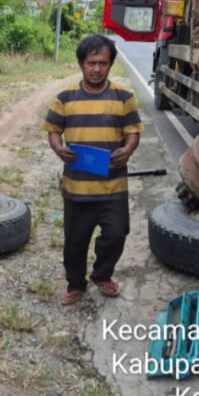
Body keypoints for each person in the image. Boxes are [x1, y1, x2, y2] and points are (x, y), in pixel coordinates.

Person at [42, 34, 144, 306]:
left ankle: (102, 275)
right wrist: (58, 148)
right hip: (77, 187)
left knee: (116, 234)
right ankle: (76, 284)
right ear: (80, 64)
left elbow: (133, 132)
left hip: (113, 186)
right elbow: (53, 130)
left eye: (103, 63)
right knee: (75, 242)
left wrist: (128, 150)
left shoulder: (124, 98)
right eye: (91, 63)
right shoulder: (65, 98)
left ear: (110, 64)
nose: (97, 69)